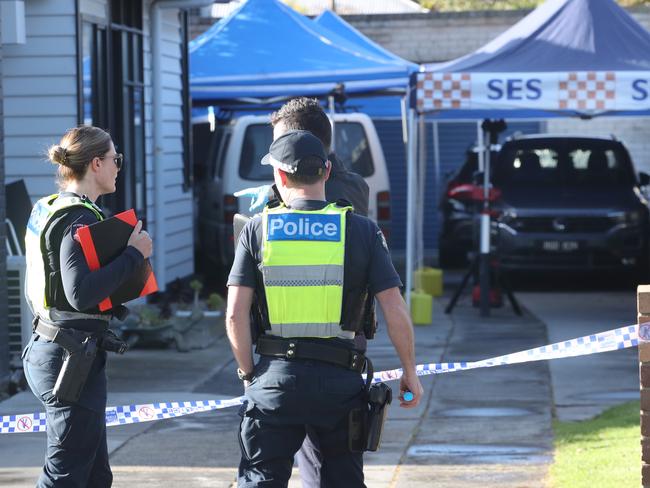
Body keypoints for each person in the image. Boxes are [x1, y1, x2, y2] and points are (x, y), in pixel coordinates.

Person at [226, 129, 423, 487]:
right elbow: (394, 307)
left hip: (275, 380)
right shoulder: (362, 230)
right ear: (328, 172)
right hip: (340, 383)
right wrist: (410, 370)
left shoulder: (256, 230)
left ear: (280, 176)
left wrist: (248, 373)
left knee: (261, 479)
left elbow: (235, 314)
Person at [22, 126, 153, 487]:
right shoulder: (76, 219)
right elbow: (80, 293)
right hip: (67, 360)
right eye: (115, 159)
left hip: (60, 350)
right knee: (64, 476)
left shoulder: (51, 207)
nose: (118, 166)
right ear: (96, 163)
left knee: (95, 475)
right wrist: (133, 254)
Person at [270, 97, 371, 487]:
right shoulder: (355, 184)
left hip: (299, 346)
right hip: (347, 340)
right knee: (339, 464)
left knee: (312, 463)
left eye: (281, 146)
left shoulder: (310, 197)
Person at [235, 97, 369, 217]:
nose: (276, 151)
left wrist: (274, 194)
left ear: (301, 141)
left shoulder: (313, 193)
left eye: (280, 144)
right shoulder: (358, 184)